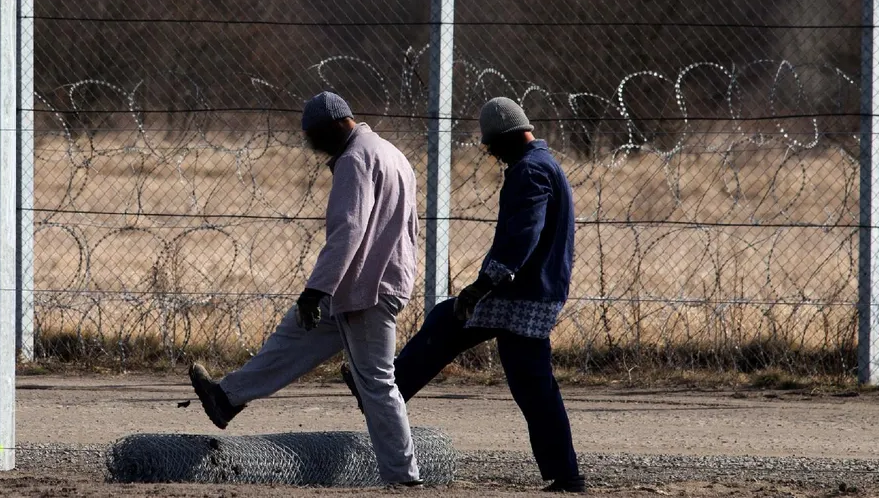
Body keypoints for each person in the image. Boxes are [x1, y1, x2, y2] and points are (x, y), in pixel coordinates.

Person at [341, 97, 586, 493]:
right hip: (533, 288)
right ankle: (566, 474)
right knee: (517, 372)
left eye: (492, 145)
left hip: (519, 292)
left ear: (508, 136)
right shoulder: (542, 164)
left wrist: (485, 283)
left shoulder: (530, 170)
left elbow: (524, 234)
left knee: (517, 371)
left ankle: (381, 391)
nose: (491, 154)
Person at [187, 91, 422, 487]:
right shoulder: (391, 153)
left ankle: (403, 477)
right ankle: (227, 397)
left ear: (336, 125)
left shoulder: (355, 159)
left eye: (315, 137)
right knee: (295, 335)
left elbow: (348, 230)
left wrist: (317, 289)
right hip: (369, 282)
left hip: (366, 289)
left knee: (377, 383)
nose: (314, 147)